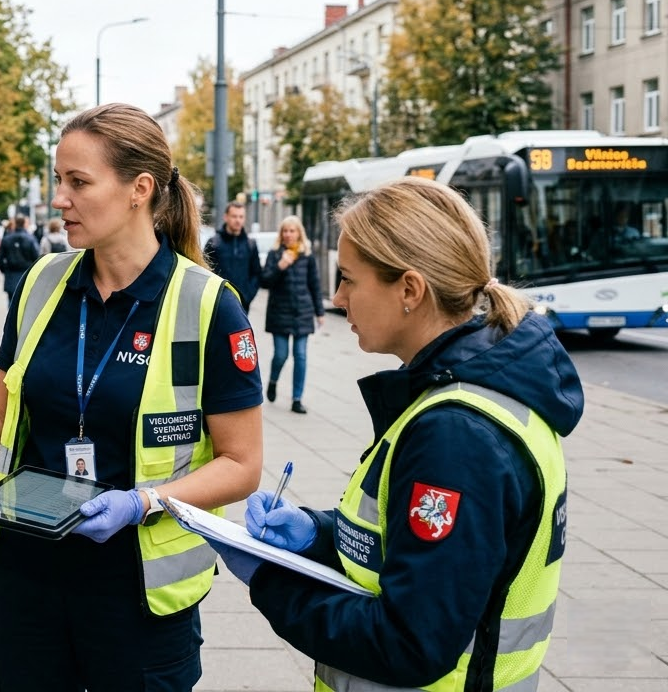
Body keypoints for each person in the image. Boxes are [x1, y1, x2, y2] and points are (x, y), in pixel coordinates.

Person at [0, 104, 264, 690]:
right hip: (30, 579)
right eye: (58, 180)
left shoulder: (208, 306)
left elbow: (241, 465)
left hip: (136, 594)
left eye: (78, 182)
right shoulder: (42, 283)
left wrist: (142, 502)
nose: (59, 199)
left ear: (140, 189)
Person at [229, 177, 581, 692]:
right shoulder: (463, 391)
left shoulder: (456, 435)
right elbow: (410, 547)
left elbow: (411, 642)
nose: (337, 297)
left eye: (349, 279)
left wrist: (272, 582)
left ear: (410, 290)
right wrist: (316, 534)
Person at [259, 215, 324, 414]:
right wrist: (280, 266)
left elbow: (314, 284)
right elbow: (265, 281)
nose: (288, 234)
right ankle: (273, 381)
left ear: (298, 233)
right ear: (281, 234)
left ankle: (297, 399)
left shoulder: (307, 256)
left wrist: (319, 312)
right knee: (280, 355)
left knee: (300, 355)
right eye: (285, 231)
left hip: (302, 312)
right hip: (280, 312)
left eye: (292, 231)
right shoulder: (275, 255)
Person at [203, 201, 262, 312]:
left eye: (241, 217)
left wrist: (247, 296)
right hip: (218, 303)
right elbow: (205, 271)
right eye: (234, 216)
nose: (238, 220)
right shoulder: (214, 243)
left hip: (242, 304)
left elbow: (256, 274)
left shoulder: (250, 244)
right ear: (226, 217)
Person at [0, 213, 41, 301]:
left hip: (11, 271)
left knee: (12, 300)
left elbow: (0, 257)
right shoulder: (30, 239)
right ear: (24, 223)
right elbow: (36, 256)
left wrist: (4, 269)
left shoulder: (7, 238)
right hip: (26, 272)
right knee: (25, 299)